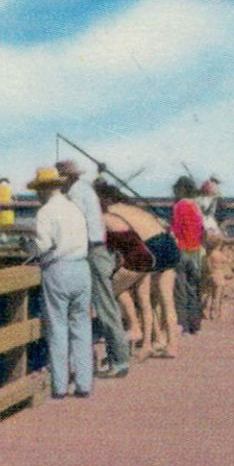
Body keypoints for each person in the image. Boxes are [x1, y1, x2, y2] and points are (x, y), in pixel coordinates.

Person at [58, 160, 131, 379]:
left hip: (92, 251)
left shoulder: (77, 193)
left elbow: (73, 225)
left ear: (67, 177)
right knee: (98, 305)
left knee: (104, 306)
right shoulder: (83, 190)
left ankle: (119, 360)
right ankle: (110, 359)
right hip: (95, 250)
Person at [94, 179, 180, 359]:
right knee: (166, 300)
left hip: (149, 248)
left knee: (139, 296)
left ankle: (140, 333)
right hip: (168, 244)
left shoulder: (109, 212)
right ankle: (169, 344)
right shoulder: (132, 207)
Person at [26, 166, 93, 399]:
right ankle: (84, 384)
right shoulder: (75, 208)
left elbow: (43, 246)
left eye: (37, 190)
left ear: (44, 190)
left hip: (58, 269)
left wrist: (29, 249)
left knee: (57, 328)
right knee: (82, 327)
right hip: (82, 268)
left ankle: (60, 386)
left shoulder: (45, 212)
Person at [171, 175, 206, 335]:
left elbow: (176, 229)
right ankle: (195, 325)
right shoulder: (196, 206)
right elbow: (201, 229)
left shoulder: (178, 206)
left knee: (180, 289)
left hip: (181, 249)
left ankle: (183, 325)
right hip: (196, 251)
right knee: (193, 288)